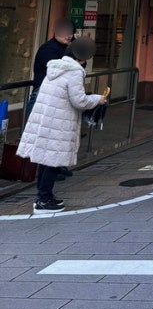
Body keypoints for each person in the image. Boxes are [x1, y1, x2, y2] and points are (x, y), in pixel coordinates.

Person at [18, 37, 106, 212]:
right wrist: (98, 99)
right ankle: (44, 200)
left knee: (45, 159)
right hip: (59, 122)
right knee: (53, 161)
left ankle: (43, 197)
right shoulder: (74, 72)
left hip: (46, 120)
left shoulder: (55, 67)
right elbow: (79, 101)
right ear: (82, 58)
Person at [30, 18, 77, 181]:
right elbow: (59, 72)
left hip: (58, 98)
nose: (69, 36)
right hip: (43, 97)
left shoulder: (68, 49)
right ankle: (44, 174)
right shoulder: (48, 49)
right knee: (46, 136)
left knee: (56, 136)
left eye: (71, 32)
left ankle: (55, 168)